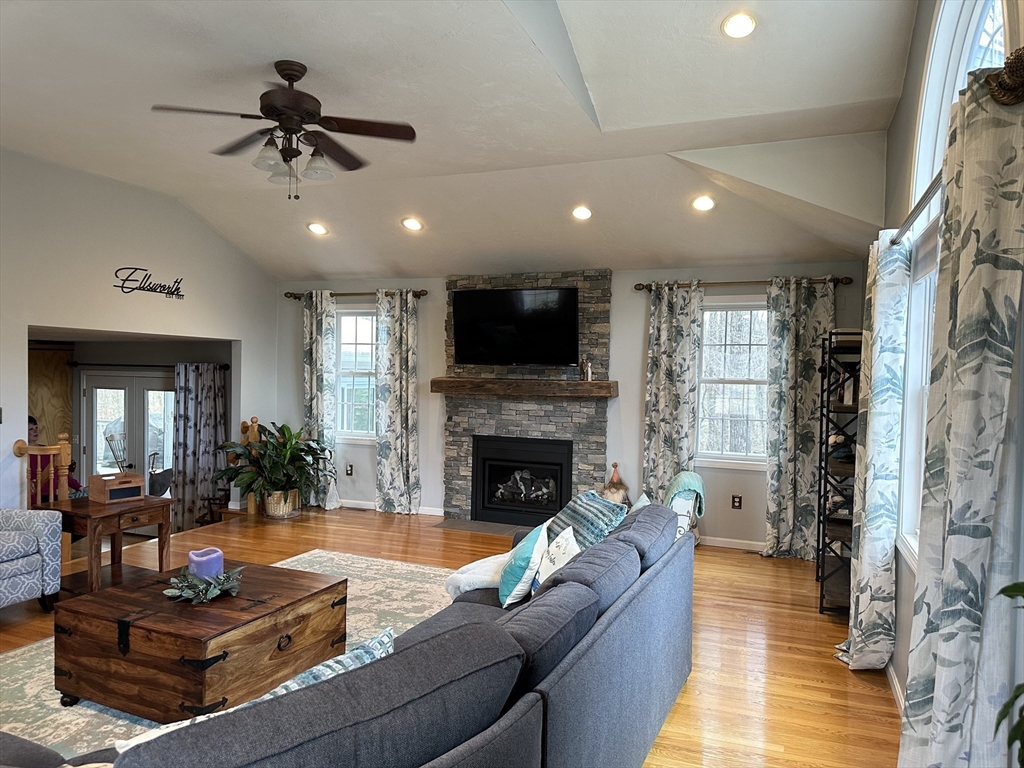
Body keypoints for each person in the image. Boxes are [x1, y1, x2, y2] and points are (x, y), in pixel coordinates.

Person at [27, 415, 83, 499]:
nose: (35, 431)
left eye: (36, 428)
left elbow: (61, 472)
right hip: (36, 496)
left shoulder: (47, 450)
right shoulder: (23, 453)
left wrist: (78, 486)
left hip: (54, 494)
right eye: (31, 429)